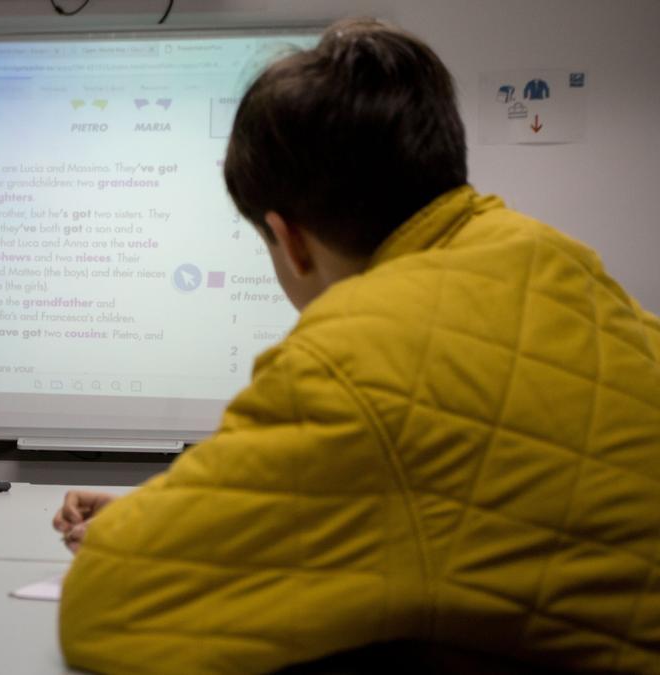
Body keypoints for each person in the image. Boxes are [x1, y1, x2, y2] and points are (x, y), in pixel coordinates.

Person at [54, 18, 660, 674]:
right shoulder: (554, 258)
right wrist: (171, 512)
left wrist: (126, 535)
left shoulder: (350, 358)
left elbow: (105, 605)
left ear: (289, 239)